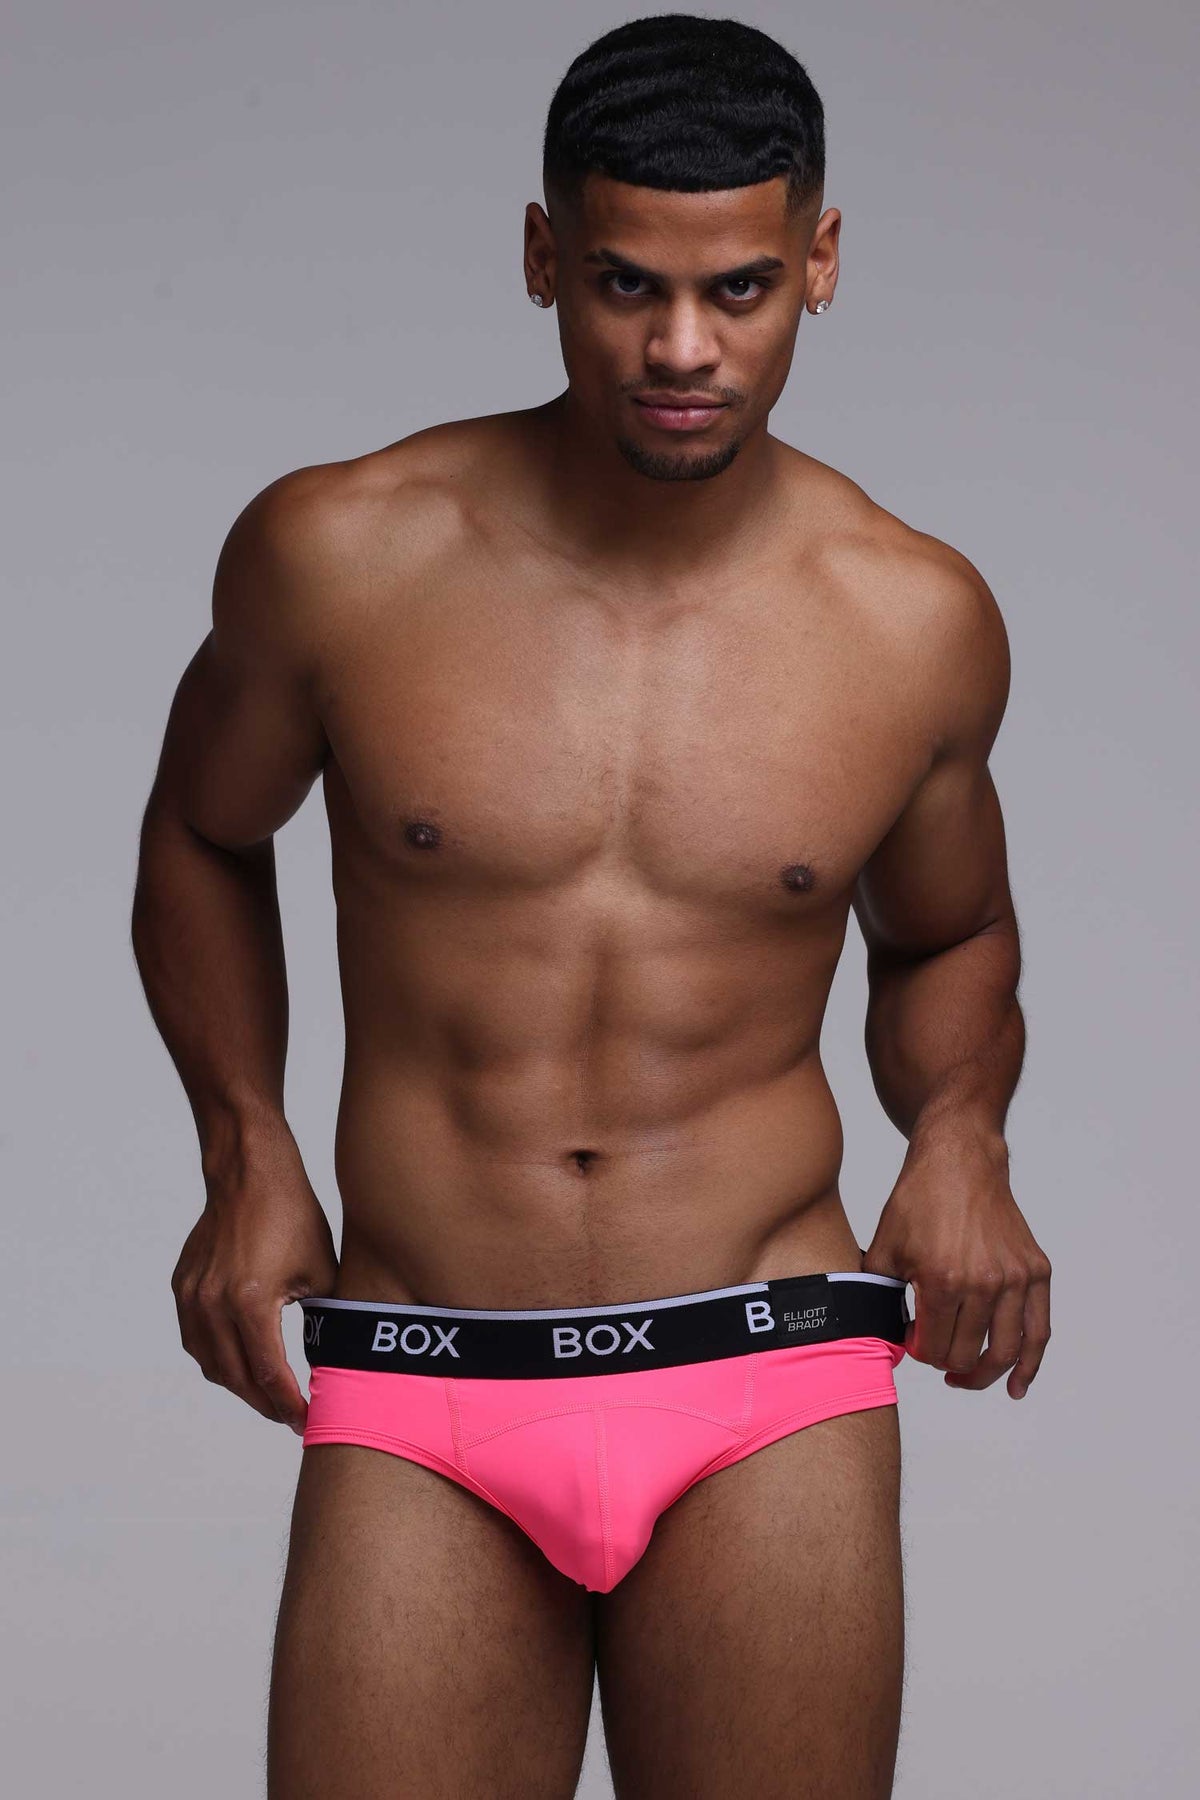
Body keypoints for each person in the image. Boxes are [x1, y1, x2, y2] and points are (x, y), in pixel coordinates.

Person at [130, 14, 1052, 1798]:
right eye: (629, 284)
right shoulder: (344, 554)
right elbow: (198, 830)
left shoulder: (910, 620)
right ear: (545, 254)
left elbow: (949, 930)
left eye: (741, 290)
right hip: (427, 1364)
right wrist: (244, 1145)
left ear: (821, 262)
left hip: (765, 1363)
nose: (683, 349)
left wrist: (963, 1133)